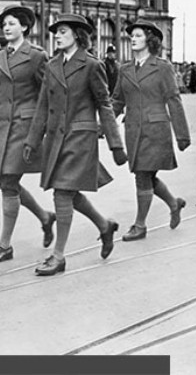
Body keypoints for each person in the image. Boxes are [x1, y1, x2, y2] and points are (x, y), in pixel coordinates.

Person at [23, 14, 127, 276]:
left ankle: (58, 256)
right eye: (56, 32)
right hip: (56, 138)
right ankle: (104, 226)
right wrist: (32, 140)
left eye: (63, 31)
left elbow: (104, 103)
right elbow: (43, 105)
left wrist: (116, 144)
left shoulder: (91, 65)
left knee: (62, 193)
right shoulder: (52, 65)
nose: (57, 35)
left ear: (78, 35)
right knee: (69, 193)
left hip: (80, 137)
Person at [0, 5, 56, 264]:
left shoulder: (36, 56)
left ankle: (5, 246)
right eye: (4, 24)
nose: (6, 28)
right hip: (2, 127)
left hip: (24, 126)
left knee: (7, 182)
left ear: (25, 28)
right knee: (4, 180)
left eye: (12, 23)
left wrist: (43, 129)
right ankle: (44, 216)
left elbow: (48, 95)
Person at [112, 20, 190, 241]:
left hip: (155, 130)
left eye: (137, 35)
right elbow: (117, 100)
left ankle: (140, 225)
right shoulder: (124, 69)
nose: (133, 39)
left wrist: (182, 135)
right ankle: (174, 204)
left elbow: (173, 100)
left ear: (150, 39)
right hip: (133, 129)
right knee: (145, 174)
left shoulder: (162, 67)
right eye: (131, 36)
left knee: (143, 175)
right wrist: (104, 124)